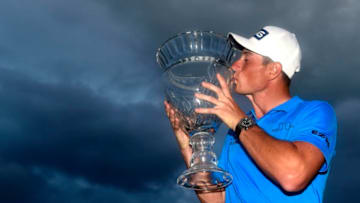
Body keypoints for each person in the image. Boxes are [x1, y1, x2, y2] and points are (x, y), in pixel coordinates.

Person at [164, 25, 337, 203]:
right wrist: (187, 143)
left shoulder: (314, 112)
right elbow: (218, 199)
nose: (234, 66)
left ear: (273, 70)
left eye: (246, 59)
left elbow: (293, 176)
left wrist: (240, 121)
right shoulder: (236, 132)